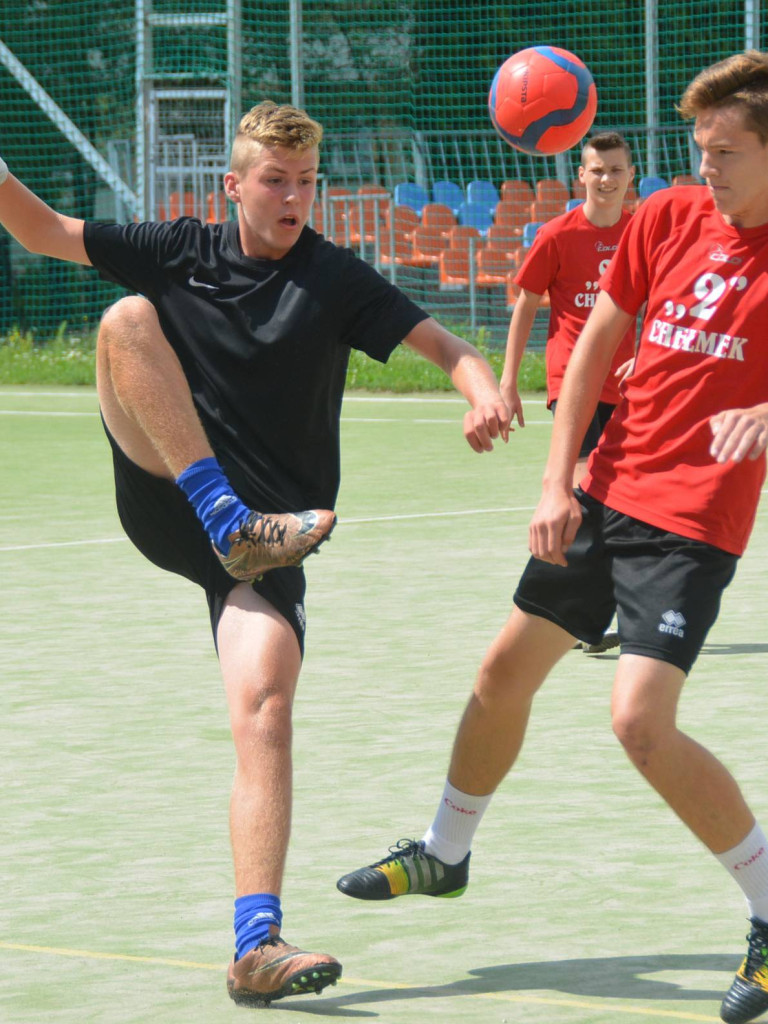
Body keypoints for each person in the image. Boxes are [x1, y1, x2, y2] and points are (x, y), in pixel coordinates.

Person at [0, 100, 511, 1007]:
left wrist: (480, 389)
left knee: (266, 708)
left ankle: (255, 946)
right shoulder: (179, 249)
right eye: (274, 180)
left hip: (271, 542)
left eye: (306, 182)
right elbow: (39, 229)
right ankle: (224, 512)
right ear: (233, 185)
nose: (292, 196)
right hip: (172, 495)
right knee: (124, 320)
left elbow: (444, 343)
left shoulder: (334, 278)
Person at [337, 51, 768, 1024]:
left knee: (638, 722)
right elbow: (601, 345)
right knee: (501, 673)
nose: (709, 168)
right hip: (607, 489)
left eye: (728, 152)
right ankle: (445, 852)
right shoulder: (670, 218)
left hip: (693, 518)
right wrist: (557, 478)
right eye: (700, 149)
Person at [501, 130, 636, 654]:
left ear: (630, 177)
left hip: (629, 385)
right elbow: (526, 306)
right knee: (585, 494)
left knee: (624, 500)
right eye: (595, 169)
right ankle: (576, 612)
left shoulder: (640, 234)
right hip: (575, 384)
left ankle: (601, 605)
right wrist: (509, 382)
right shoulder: (557, 235)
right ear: (580, 175)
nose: (605, 179)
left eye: (615, 170)